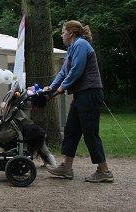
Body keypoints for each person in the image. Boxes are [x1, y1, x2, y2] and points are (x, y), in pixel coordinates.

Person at [45, 20, 113, 183]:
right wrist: (52, 88)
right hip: (81, 95)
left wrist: (63, 87)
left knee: (90, 132)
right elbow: (63, 72)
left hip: (90, 93)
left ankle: (104, 170)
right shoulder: (71, 49)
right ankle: (67, 168)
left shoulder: (81, 44)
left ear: (71, 33)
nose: (61, 34)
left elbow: (77, 69)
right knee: (71, 130)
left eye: (63, 31)